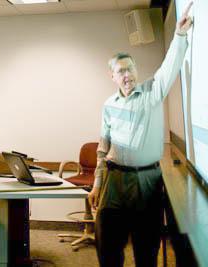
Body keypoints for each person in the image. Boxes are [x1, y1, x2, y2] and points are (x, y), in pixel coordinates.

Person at [87, 3, 193, 267]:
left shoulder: (151, 93)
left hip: (147, 181)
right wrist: (98, 184)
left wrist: (179, 36)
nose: (127, 75)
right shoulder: (108, 104)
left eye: (131, 68)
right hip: (114, 182)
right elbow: (103, 148)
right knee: (107, 246)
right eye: (121, 70)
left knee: (146, 249)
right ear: (112, 75)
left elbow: (169, 68)